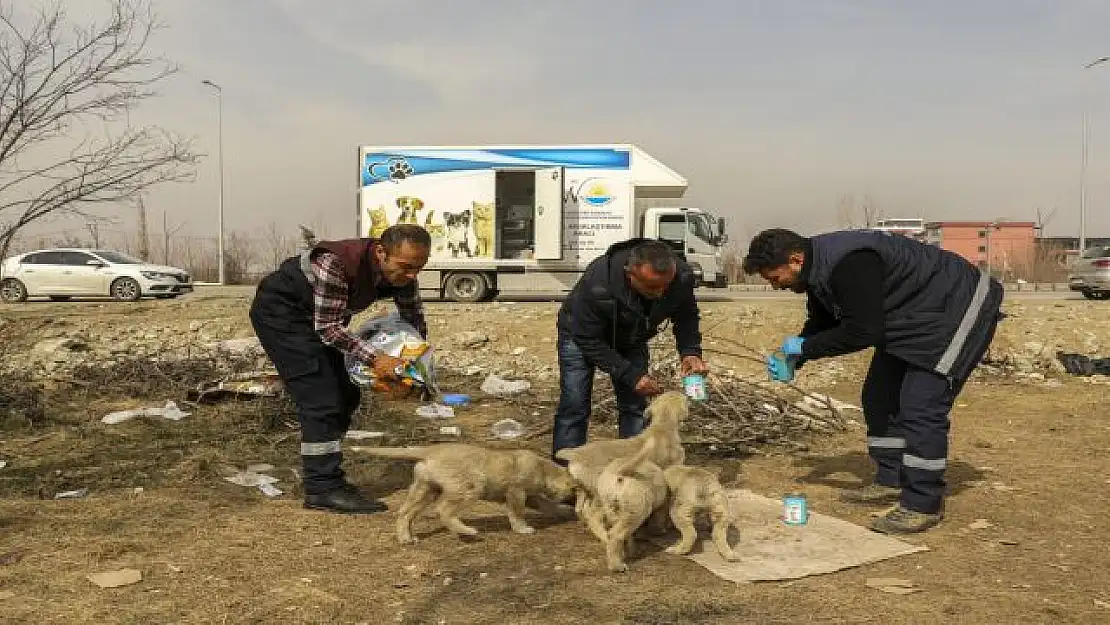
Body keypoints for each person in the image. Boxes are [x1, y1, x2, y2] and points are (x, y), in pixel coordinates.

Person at [742, 228, 1004, 534]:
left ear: (795, 260)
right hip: (911, 316)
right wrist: (796, 357)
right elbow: (824, 322)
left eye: (775, 278)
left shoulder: (851, 263)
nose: (775, 287)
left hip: (957, 308)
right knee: (879, 397)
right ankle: (891, 478)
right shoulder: (816, 271)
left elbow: (863, 332)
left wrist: (805, 348)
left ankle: (922, 503)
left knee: (920, 407)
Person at [249, 224, 431, 514]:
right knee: (320, 397)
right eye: (406, 267)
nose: (412, 276)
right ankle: (322, 487)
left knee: (346, 393)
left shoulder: (404, 273)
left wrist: (415, 370)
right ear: (381, 253)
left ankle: (325, 466)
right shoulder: (335, 262)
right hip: (283, 316)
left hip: (321, 321)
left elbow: (413, 321)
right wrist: (379, 360)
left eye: (419, 268)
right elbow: (328, 329)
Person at [552, 238, 708, 461]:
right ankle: (565, 471)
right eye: (653, 287)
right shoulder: (599, 282)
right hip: (580, 337)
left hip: (632, 338)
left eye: (666, 285)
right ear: (630, 273)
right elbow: (587, 338)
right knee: (575, 404)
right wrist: (629, 374)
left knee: (635, 405)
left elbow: (686, 316)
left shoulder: (681, 278)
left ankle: (634, 470)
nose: (661, 292)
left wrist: (690, 352)